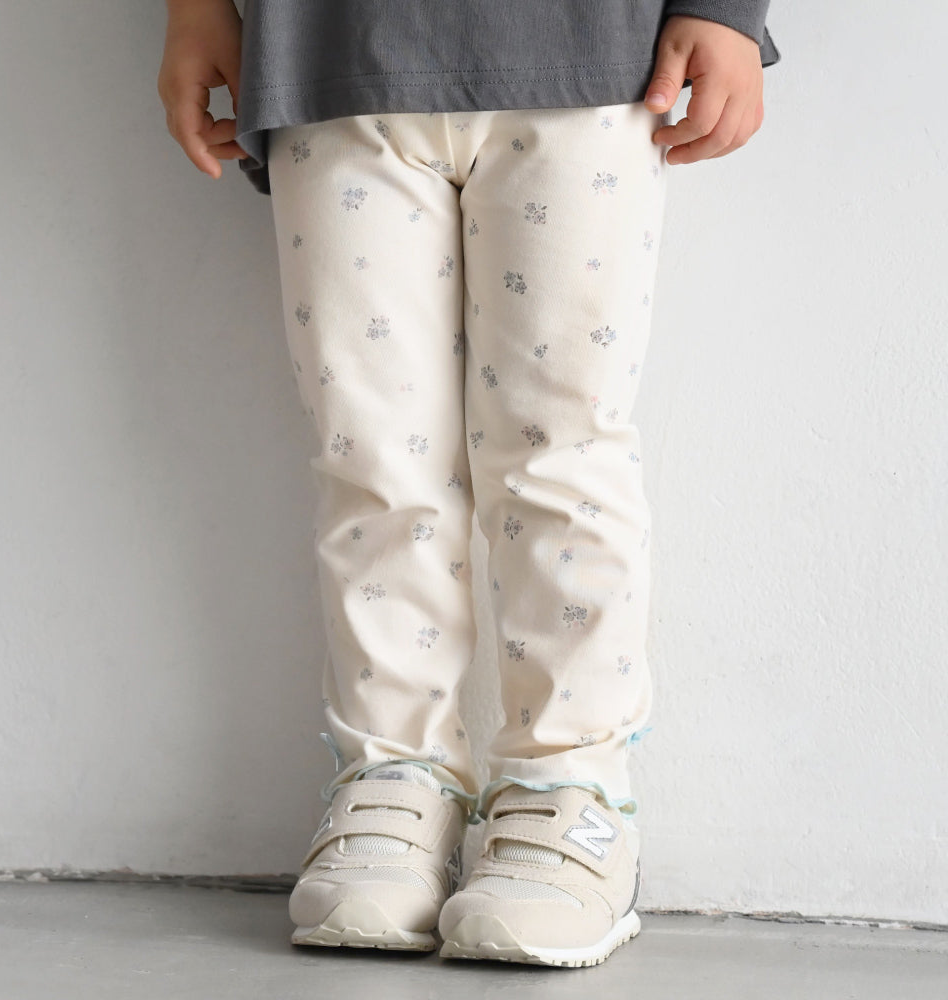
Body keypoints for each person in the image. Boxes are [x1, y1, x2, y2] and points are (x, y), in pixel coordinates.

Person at [158, 0, 779, 969]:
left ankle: (570, 789)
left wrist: (724, 10)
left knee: (561, 454)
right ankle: (393, 776)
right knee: (374, 462)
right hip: (329, 56)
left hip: (586, 60)